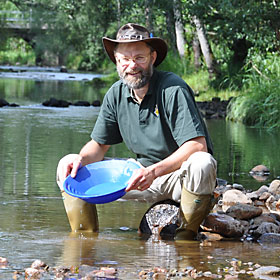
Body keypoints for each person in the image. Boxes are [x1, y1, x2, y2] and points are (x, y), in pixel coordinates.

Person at [56, 23, 217, 240]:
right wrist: (80, 158)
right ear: (116, 61)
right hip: (140, 177)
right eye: (125, 59)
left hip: (179, 178)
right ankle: (84, 242)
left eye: (139, 58)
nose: (132, 65)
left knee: (202, 162)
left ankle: (185, 238)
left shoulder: (172, 89)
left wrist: (154, 172)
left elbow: (197, 145)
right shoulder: (116, 94)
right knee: (67, 166)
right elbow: (99, 146)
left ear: (152, 57)